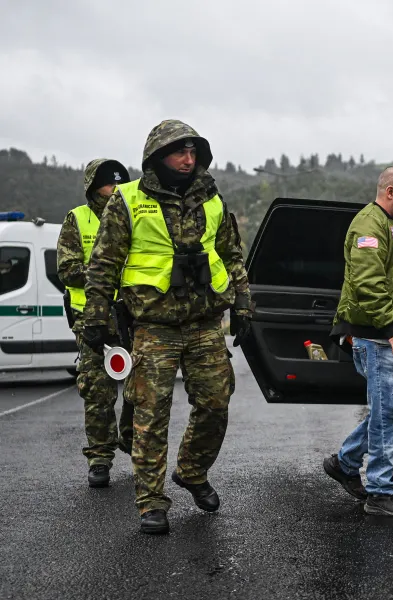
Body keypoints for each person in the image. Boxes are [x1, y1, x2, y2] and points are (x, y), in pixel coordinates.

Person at [83, 119, 253, 535]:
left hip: (204, 323)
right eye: (180, 152)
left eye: (194, 153)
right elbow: (104, 263)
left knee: (216, 404)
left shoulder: (212, 199)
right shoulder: (127, 200)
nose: (189, 160)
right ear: (158, 156)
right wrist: (96, 317)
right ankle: (151, 502)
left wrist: (244, 304)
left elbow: (232, 255)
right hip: (153, 325)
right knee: (150, 415)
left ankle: (192, 470)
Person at [323, 166, 393, 517]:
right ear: (390, 191)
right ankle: (380, 492)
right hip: (379, 338)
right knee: (386, 416)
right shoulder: (370, 225)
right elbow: (368, 283)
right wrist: (391, 329)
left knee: (392, 412)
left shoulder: (392, 226)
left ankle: (345, 463)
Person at [57, 158, 134, 488]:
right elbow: (68, 270)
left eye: (120, 184)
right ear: (93, 187)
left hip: (132, 315)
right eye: (108, 185)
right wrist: (103, 276)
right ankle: (101, 458)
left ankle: (132, 441)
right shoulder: (78, 219)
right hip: (92, 319)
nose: (115, 190)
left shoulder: (135, 217)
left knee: (141, 389)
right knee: (98, 392)